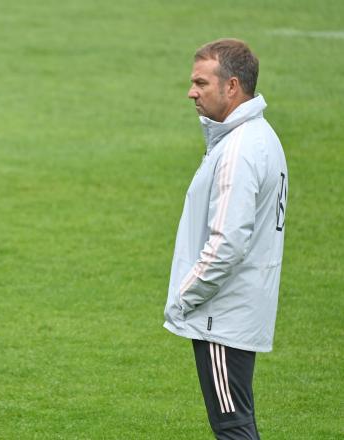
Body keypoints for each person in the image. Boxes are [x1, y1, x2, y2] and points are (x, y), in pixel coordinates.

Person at [163, 39, 288, 439]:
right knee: (237, 423)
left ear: (232, 86)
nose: (191, 92)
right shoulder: (260, 137)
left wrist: (185, 295)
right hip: (239, 310)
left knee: (233, 428)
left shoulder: (239, 149)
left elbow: (227, 243)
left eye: (201, 82)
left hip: (222, 316)